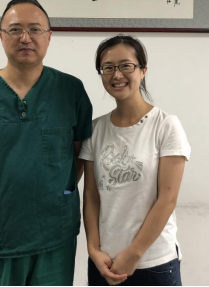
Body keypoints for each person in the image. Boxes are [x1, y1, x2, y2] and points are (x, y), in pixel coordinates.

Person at [0, 0, 93, 286]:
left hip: (55, 234)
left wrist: (54, 194)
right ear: (1, 36)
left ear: (49, 37)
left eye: (35, 29)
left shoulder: (70, 90)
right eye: (15, 29)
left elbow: (79, 157)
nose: (25, 37)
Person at [80, 34, 191, 287]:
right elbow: (91, 196)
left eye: (126, 66)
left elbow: (167, 199)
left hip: (154, 263)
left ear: (143, 71)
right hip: (104, 262)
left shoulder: (165, 125)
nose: (117, 75)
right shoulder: (95, 130)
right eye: (108, 68)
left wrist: (133, 254)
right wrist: (93, 250)